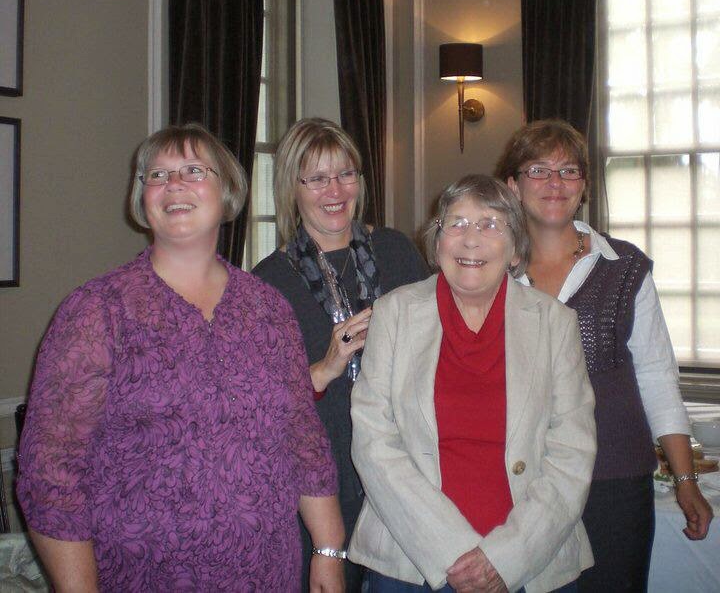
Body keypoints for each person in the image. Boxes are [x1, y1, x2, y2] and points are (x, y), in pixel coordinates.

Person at [16, 123, 345, 592]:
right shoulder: (98, 311)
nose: (173, 184)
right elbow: (50, 474)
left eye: (193, 171)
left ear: (227, 190)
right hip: (141, 577)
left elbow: (303, 437)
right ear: (142, 198)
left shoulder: (267, 307)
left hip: (269, 573)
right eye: (157, 175)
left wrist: (328, 549)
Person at [349, 174, 597, 593]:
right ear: (437, 243)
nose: (470, 240)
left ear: (515, 248)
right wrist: (450, 548)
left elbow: (572, 453)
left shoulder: (555, 323)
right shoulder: (393, 313)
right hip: (412, 560)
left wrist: (506, 557)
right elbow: (373, 442)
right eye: (457, 223)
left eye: (490, 224)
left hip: (530, 562)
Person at [495, 118, 714, 592]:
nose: (555, 183)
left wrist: (685, 480)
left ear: (584, 186)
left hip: (612, 478)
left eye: (568, 171)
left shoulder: (625, 267)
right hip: (518, 477)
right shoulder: (487, 271)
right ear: (512, 185)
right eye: (538, 170)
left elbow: (656, 377)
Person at [253, 117, 429, 591]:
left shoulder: (396, 251)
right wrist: (326, 367)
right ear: (292, 187)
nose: (335, 190)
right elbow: (264, 408)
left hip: (406, 470)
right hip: (322, 484)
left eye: (346, 174)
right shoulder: (268, 282)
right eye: (317, 178)